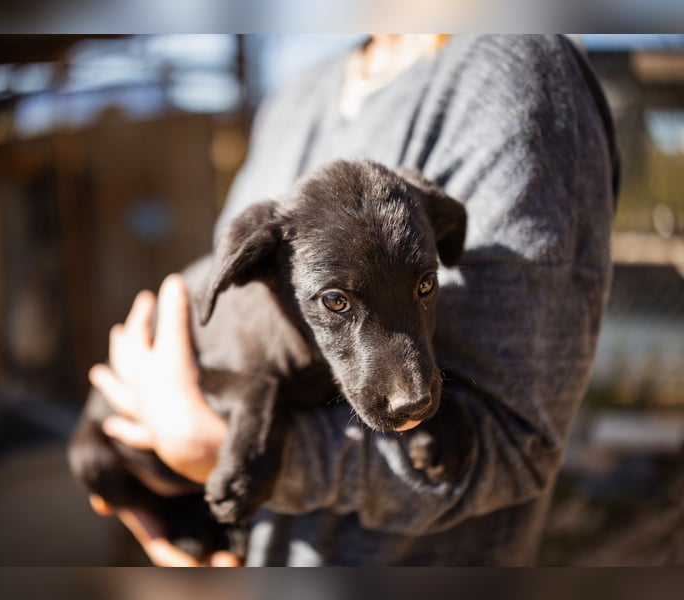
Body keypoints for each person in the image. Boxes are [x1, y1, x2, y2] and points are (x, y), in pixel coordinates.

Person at [87, 34, 619, 566]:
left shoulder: (513, 70)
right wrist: (166, 533)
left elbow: (516, 445)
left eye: (425, 285)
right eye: (338, 302)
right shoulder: (293, 98)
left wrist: (208, 446)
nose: (413, 387)